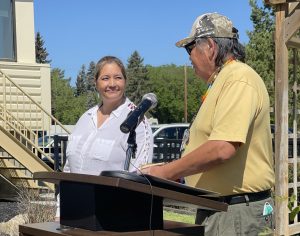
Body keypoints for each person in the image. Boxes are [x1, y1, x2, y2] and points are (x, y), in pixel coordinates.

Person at [141, 13, 275, 235]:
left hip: (234, 212)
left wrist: (164, 172)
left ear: (210, 46)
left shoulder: (238, 79)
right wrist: (176, 172)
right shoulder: (223, 81)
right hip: (218, 207)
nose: (189, 58)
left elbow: (222, 148)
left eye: (190, 49)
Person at [56, 56, 153, 219]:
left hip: (112, 218)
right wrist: (60, 211)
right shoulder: (85, 118)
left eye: (118, 77)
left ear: (125, 81)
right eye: (105, 78)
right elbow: (68, 170)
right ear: (96, 83)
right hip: (74, 213)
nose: (112, 84)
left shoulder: (138, 122)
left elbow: (140, 176)